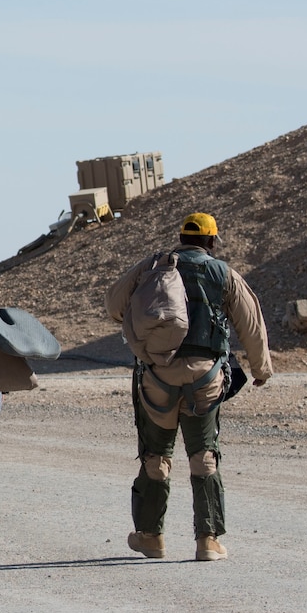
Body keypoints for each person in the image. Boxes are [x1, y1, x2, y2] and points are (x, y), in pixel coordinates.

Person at [106, 212, 272, 562]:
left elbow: (114, 305)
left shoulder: (155, 264)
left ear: (181, 237)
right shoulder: (224, 274)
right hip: (205, 377)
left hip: (157, 376)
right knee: (203, 457)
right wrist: (260, 369)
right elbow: (251, 323)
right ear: (212, 241)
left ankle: (151, 537)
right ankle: (208, 541)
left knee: (156, 458)